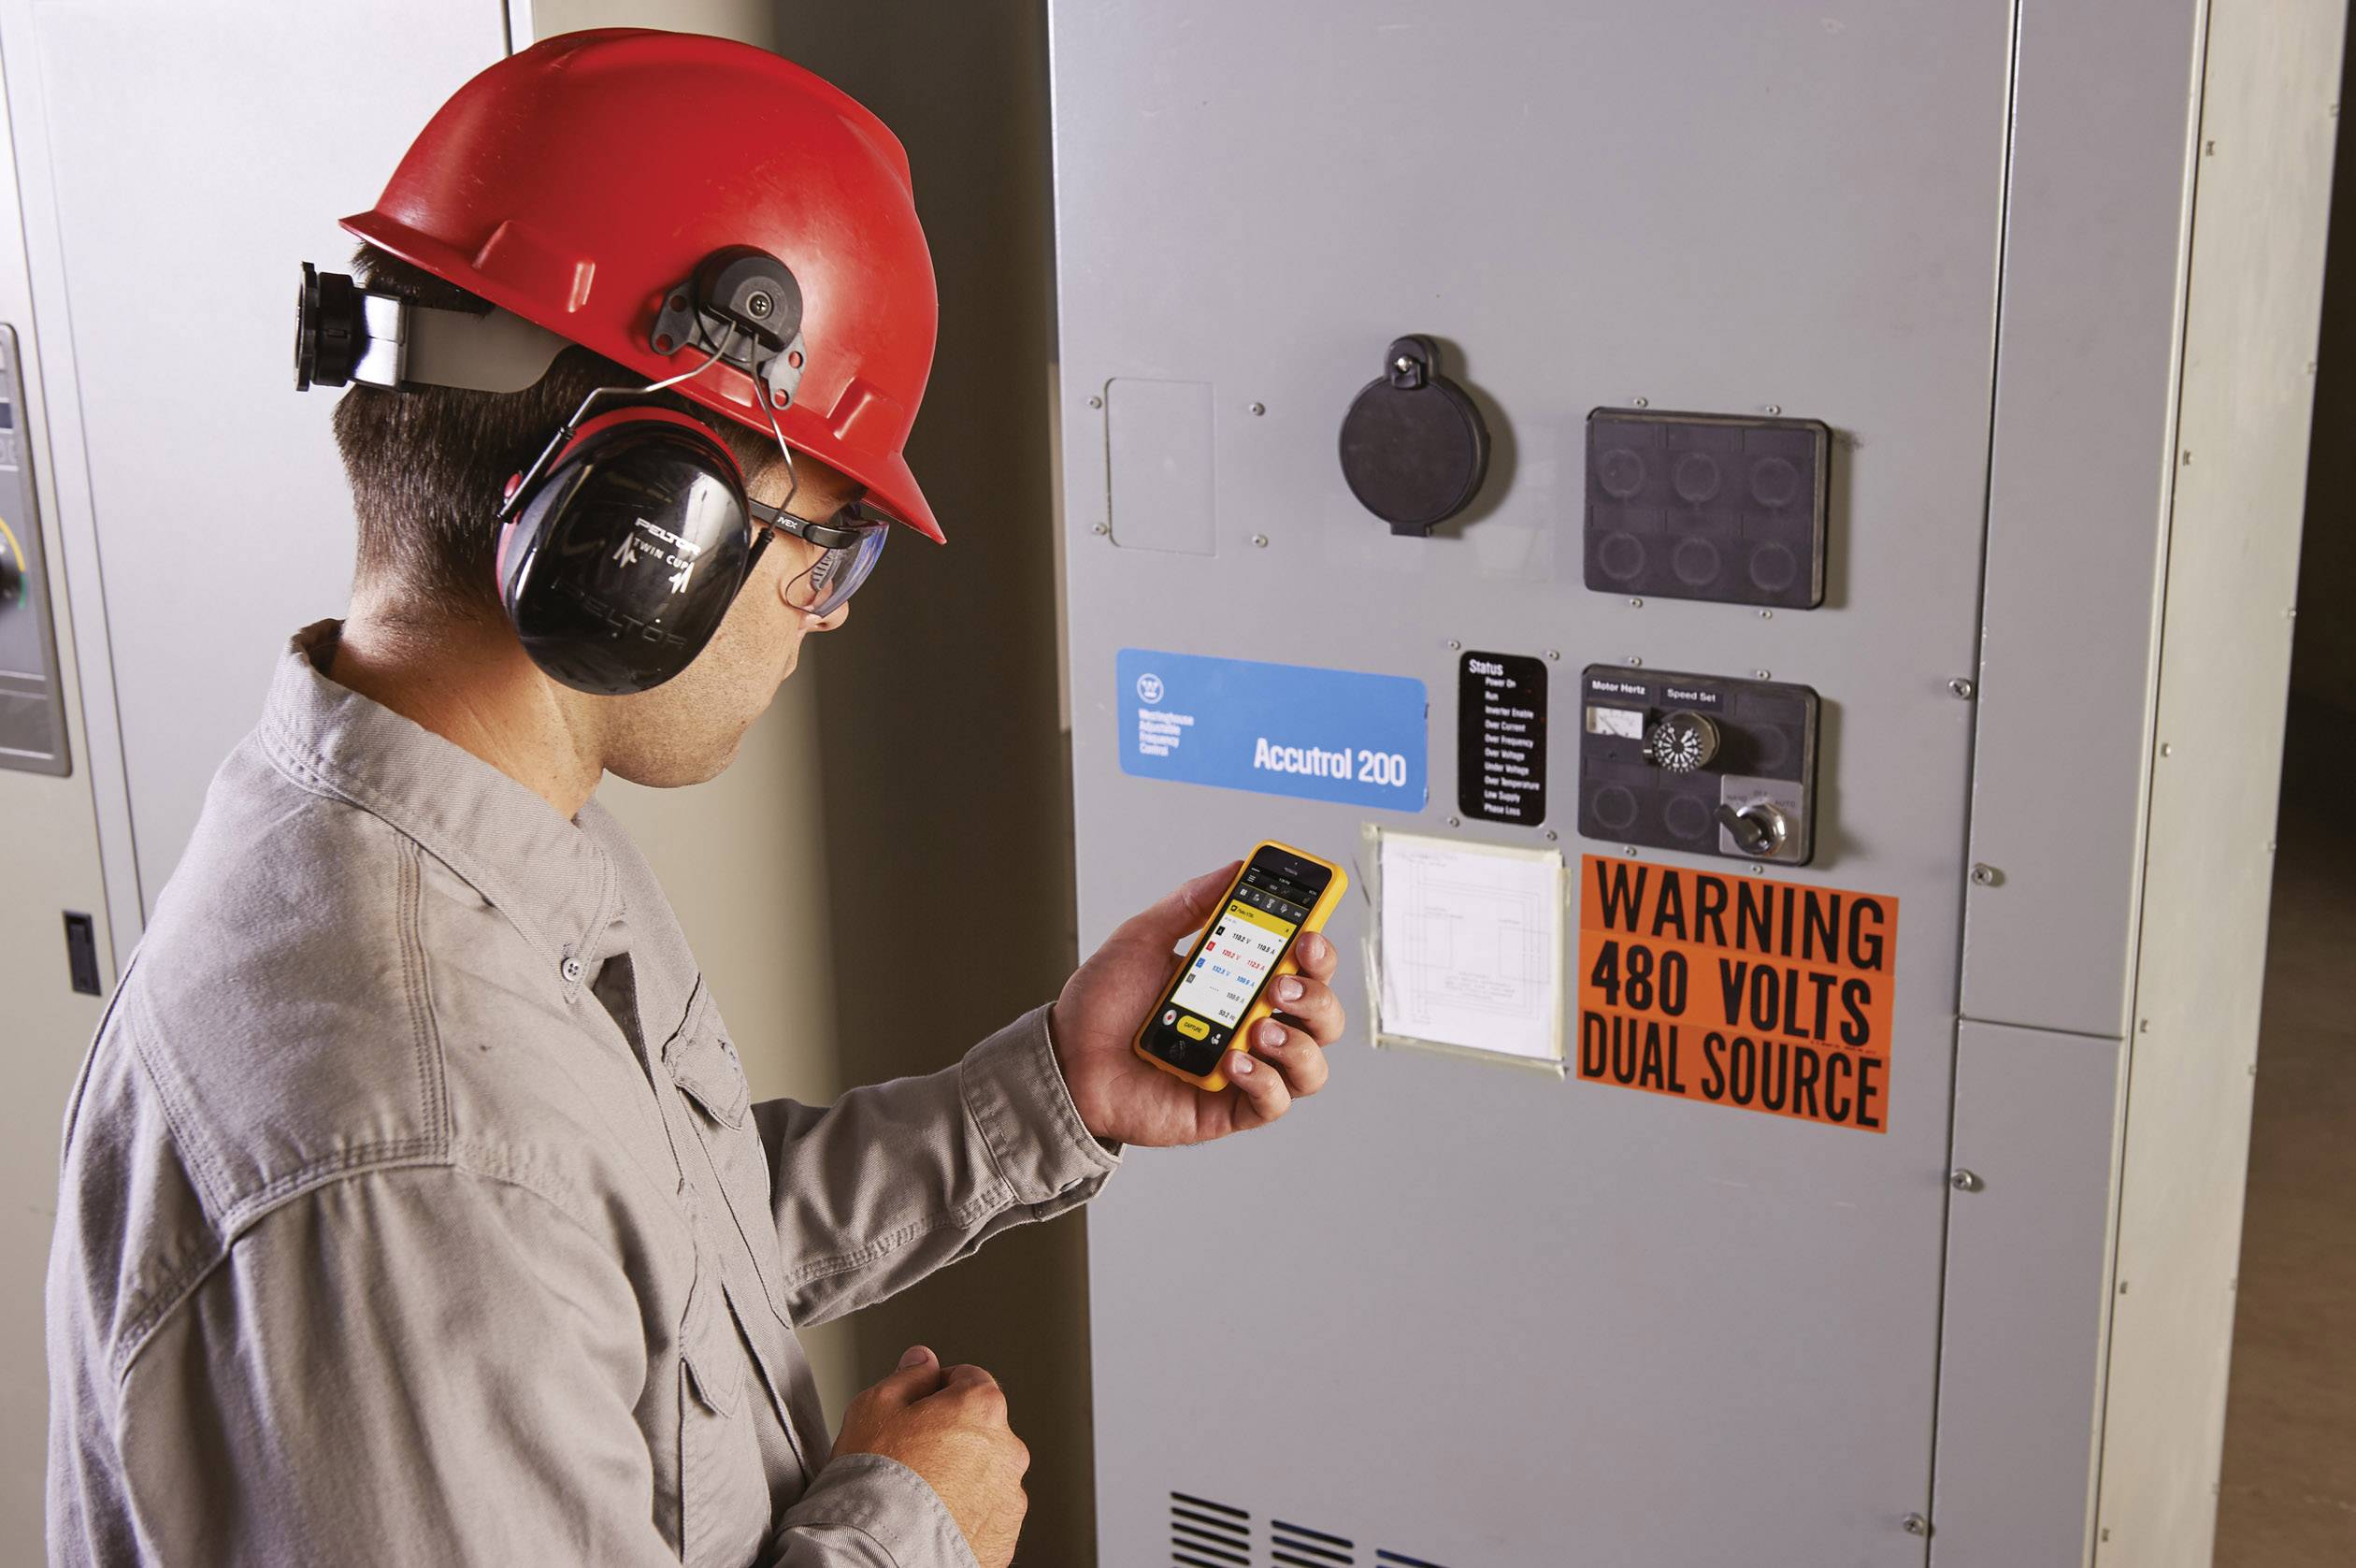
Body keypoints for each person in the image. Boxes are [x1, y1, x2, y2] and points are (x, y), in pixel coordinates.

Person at [44, 31, 1346, 1568]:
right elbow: (510, 1224)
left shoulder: (467, 843)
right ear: (653, 526)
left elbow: (643, 1268)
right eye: (829, 543)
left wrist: (1055, 1086)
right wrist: (910, 1525)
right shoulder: (420, 1138)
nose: (828, 612)